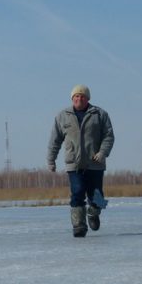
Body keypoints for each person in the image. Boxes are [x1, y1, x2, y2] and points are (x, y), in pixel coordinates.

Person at [47, 85, 114, 237]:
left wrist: (103, 152)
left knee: (97, 197)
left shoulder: (99, 114)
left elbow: (109, 136)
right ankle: (79, 225)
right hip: (74, 164)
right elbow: (54, 140)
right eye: (76, 96)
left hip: (95, 163)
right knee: (77, 193)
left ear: (88, 98)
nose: (79, 99)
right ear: (72, 98)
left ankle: (93, 213)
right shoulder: (62, 116)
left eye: (82, 96)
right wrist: (51, 160)